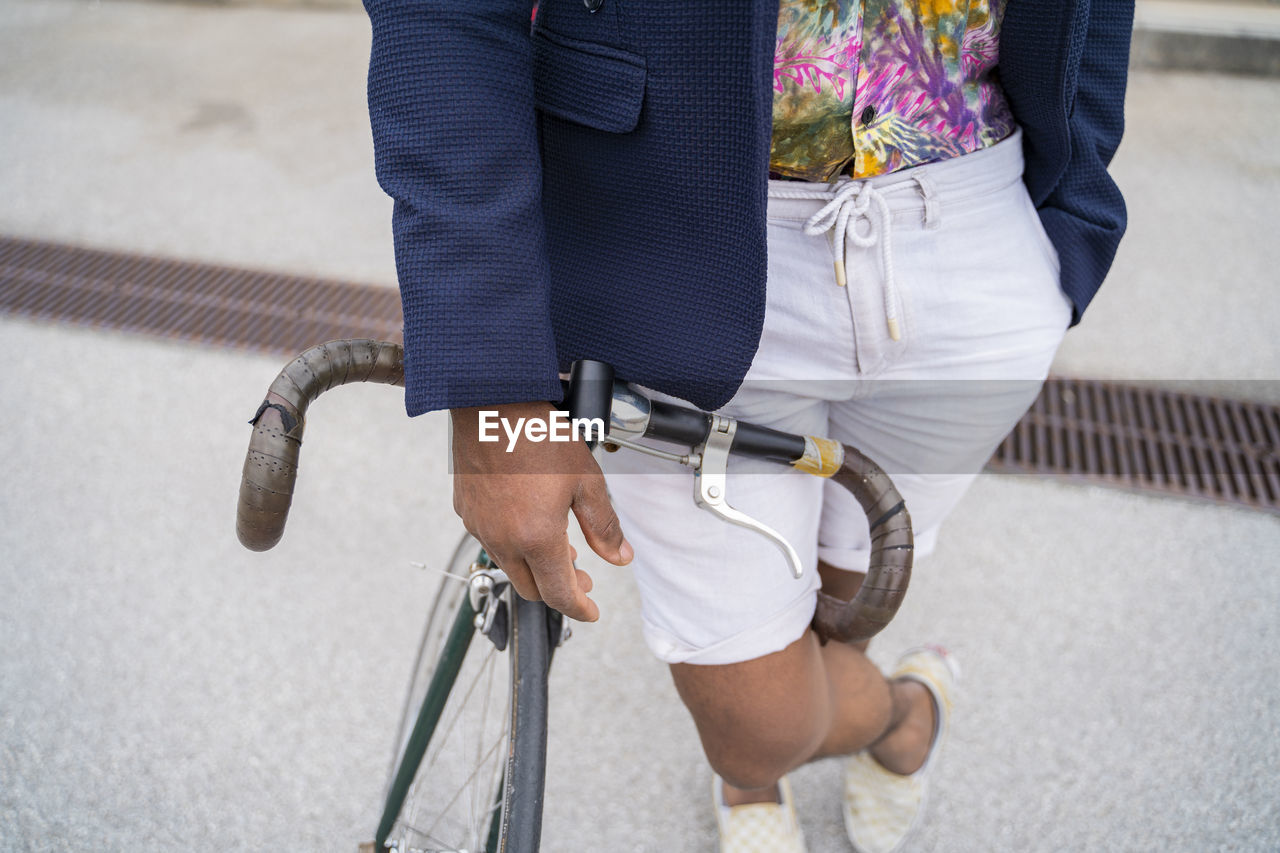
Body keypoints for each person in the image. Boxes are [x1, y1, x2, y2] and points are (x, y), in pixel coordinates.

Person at [361, 0, 1133, 849]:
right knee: (756, 722)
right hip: (672, 247)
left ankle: (794, 749)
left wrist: (1070, 233)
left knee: (841, 602)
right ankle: (901, 718)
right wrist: (494, 388)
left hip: (976, 240)